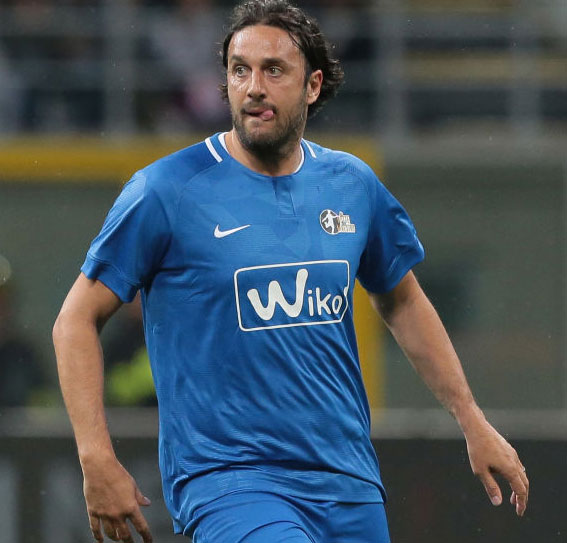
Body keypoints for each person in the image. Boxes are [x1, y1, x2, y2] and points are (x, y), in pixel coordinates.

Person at [52, 1, 529, 542]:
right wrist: (95, 457)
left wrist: (471, 419)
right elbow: (74, 321)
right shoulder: (165, 190)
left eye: (273, 70)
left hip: (348, 480)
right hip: (231, 483)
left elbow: (402, 300)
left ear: (312, 85)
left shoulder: (351, 184)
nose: (253, 87)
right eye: (240, 70)